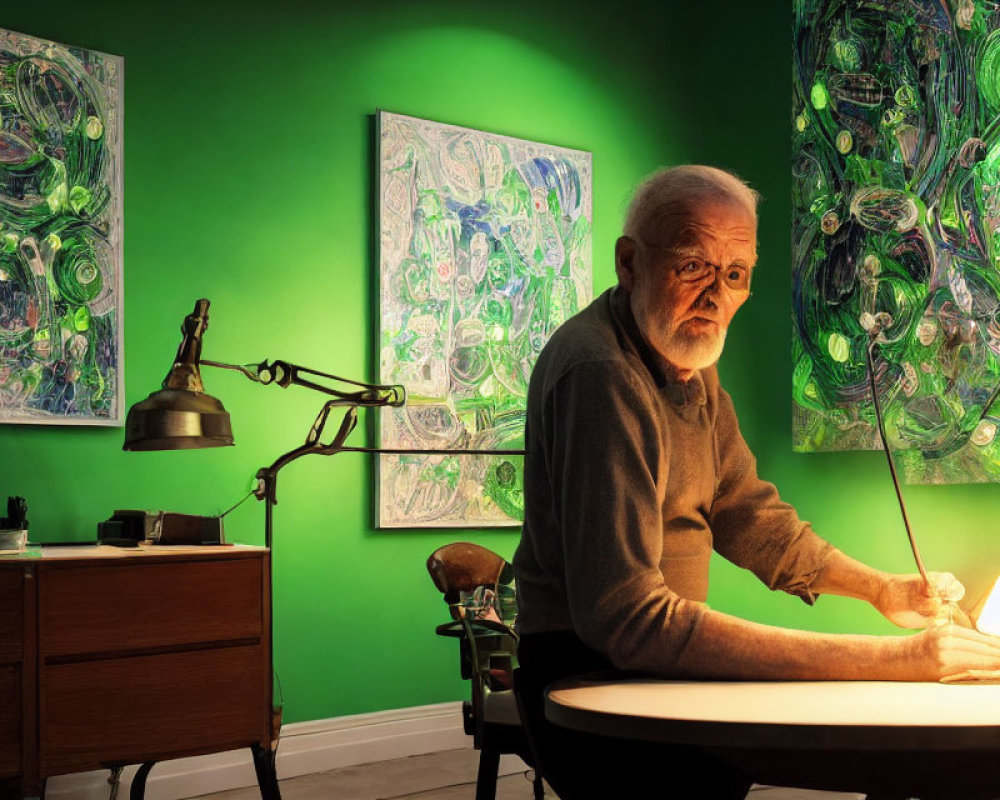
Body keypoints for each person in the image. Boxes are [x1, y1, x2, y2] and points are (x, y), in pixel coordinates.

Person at [511, 165, 1000, 799]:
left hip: (654, 676)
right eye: (693, 267)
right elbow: (626, 619)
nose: (715, 296)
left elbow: (749, 516)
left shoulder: (688, 366)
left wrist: (881, 589)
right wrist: (893, 662)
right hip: (589, 687)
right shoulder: (603, 374)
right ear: (630, 263)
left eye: (735, 274)